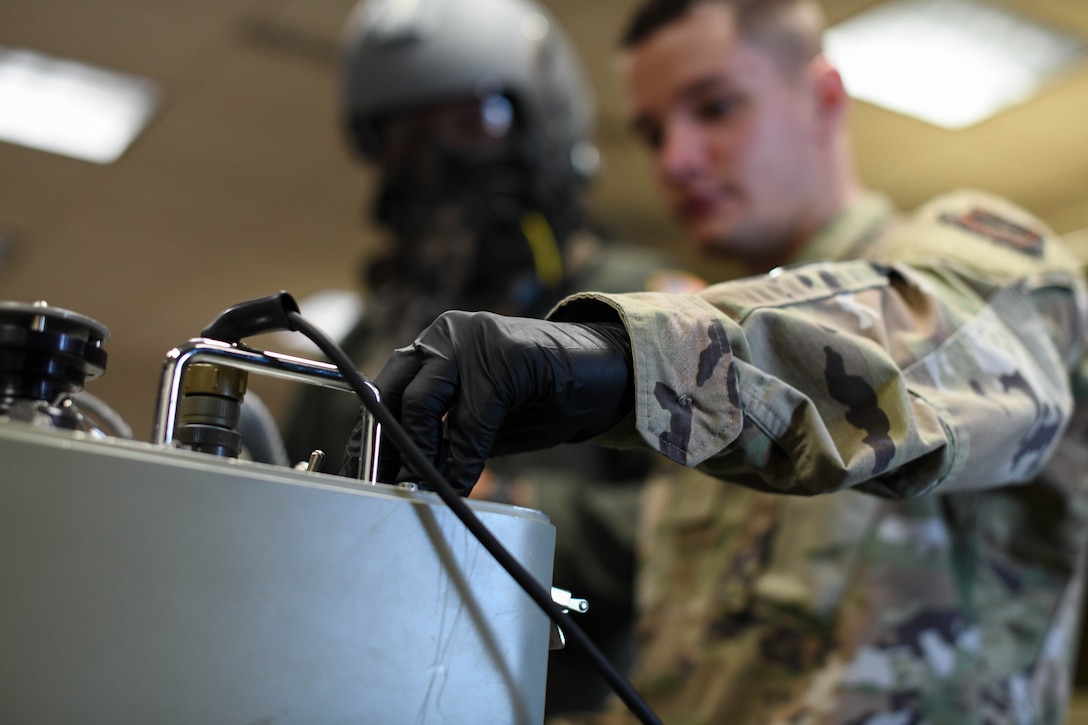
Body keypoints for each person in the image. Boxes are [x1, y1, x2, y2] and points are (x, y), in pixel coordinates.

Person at [346, 0, 1088, 722]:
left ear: (824, 95)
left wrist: (621, 362)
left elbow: (937, 335)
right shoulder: (687, 352)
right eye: (652, 130)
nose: (677, 158)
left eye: (715, 107)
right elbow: (695, 677)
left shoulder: (971, 263)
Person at [280, 0, 702, 715]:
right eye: (404, 138)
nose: (436, 164)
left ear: (540, 123)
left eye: (470, 121)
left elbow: (711, 526)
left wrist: (509, 510)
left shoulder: (641, 310)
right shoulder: (356, 349)